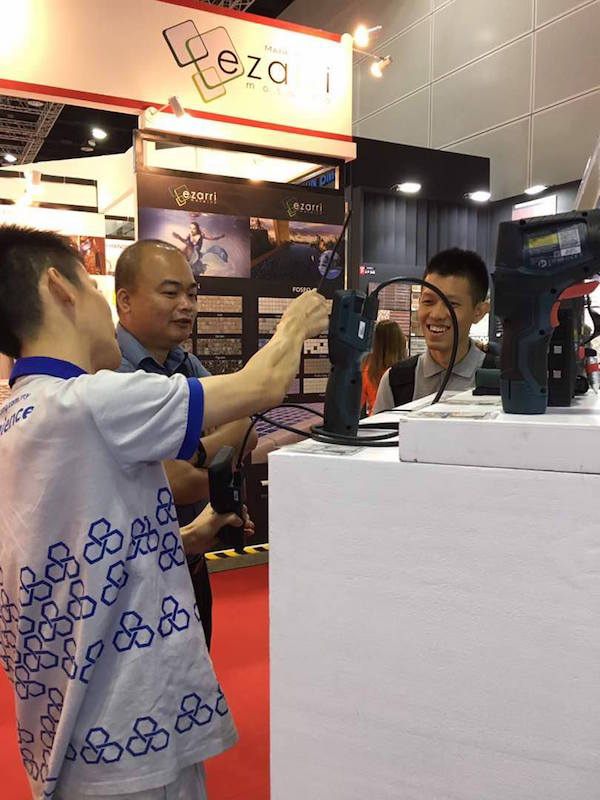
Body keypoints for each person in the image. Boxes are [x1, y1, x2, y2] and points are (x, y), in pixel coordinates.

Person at [0, 225, 328, 800]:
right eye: (95, 287)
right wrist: (297, 321)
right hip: (129, 734)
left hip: (72, 734)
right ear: (59, 287)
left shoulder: (21, 413)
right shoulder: (91, 401)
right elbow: (266, 384)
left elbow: (80, 561)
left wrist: (194, 535)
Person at [114, 239, 257, 650]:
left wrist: (193, 453)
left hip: (190, 562)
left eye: (192, 294)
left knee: (195, 672)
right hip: (133, 580)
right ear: (125, 300)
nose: (187, 305)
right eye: (170, 292)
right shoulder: (112, 372)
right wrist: (209, 460)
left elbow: (247, 427)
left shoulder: (185, 363)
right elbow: (174, 483)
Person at [373, 248, 490, 412]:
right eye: (428, 301)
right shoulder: (396, 381)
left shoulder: (502, 380)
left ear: (479, 312)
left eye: (452, 304)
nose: (436, 315)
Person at [361, 320, 407, 415]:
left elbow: (354, 406)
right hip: (403, 421)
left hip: (376, 421)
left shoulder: (367, 370)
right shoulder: (410, 370)